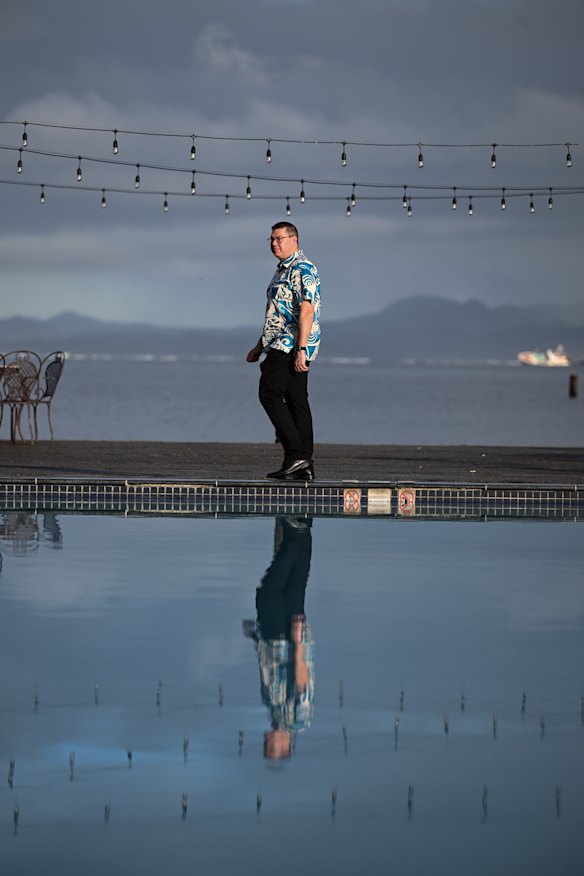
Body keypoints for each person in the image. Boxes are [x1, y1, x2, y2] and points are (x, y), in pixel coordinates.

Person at [246, 222, 321, 481]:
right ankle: (303, 463)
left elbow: (307, 311)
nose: (273, 243)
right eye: (271, 239)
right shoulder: (281, 271)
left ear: (294, 239)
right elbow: (276, 315)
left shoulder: (303, 269)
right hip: (278, 341)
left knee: (269, 393)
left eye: (279, 239)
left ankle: (297, 454)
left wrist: (301, 349)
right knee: (297, 400)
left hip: (290, 344)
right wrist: (259, 346)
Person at [242, 516, 315, 760]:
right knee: (269, 592)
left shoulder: (275, 714)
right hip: (286, 639)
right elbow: (302, 685)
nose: (266, 740)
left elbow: (268, 670)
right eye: (270, 746)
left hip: (272, 638)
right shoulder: (296, 720)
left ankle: (299, 527)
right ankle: (295, 529)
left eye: (266, 744)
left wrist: (256, 638)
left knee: (294, 583)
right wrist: (298, 645)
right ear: (286, 746)